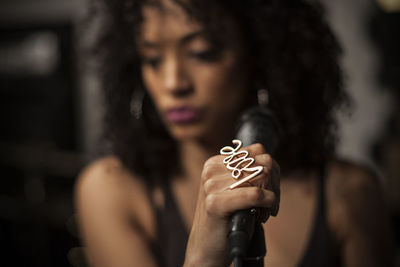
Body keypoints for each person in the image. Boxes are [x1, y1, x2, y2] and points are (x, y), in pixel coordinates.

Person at [75, 0, 394, 266]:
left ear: (261, 56)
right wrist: (202, 258)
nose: (173, 82)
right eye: (153, 59)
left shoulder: (352, 192)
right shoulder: (111, 190)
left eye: (202, 52)